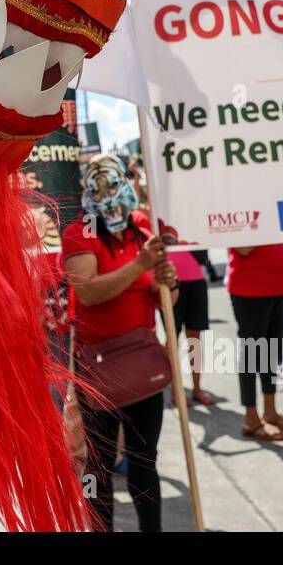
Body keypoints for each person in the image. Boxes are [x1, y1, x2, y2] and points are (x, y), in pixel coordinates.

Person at [61, 154, 179, 532]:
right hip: (99, 367)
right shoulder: (81, 232)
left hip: (142, 360)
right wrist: (140, 266)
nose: (108, 195)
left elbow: (164, 302)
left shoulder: (141, 230)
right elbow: (90, 293)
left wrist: (168, 282)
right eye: (99, 187)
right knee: (97, 468)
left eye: (114, 185)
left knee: (145, 460)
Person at [228, 242, 283, 442]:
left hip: (278, 288)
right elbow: (243, 248)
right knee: (252, 354)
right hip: (250, 289)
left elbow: (279, 245)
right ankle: (250, 419)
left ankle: (270, 412)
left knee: (272, 352)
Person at [159, 222, 215, 406]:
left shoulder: (191, 213)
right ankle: (177, 390)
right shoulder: (159, 213)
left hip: (197, 281)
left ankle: (197, 389)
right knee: (172, 338)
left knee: (195, 337)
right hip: (170, 282)